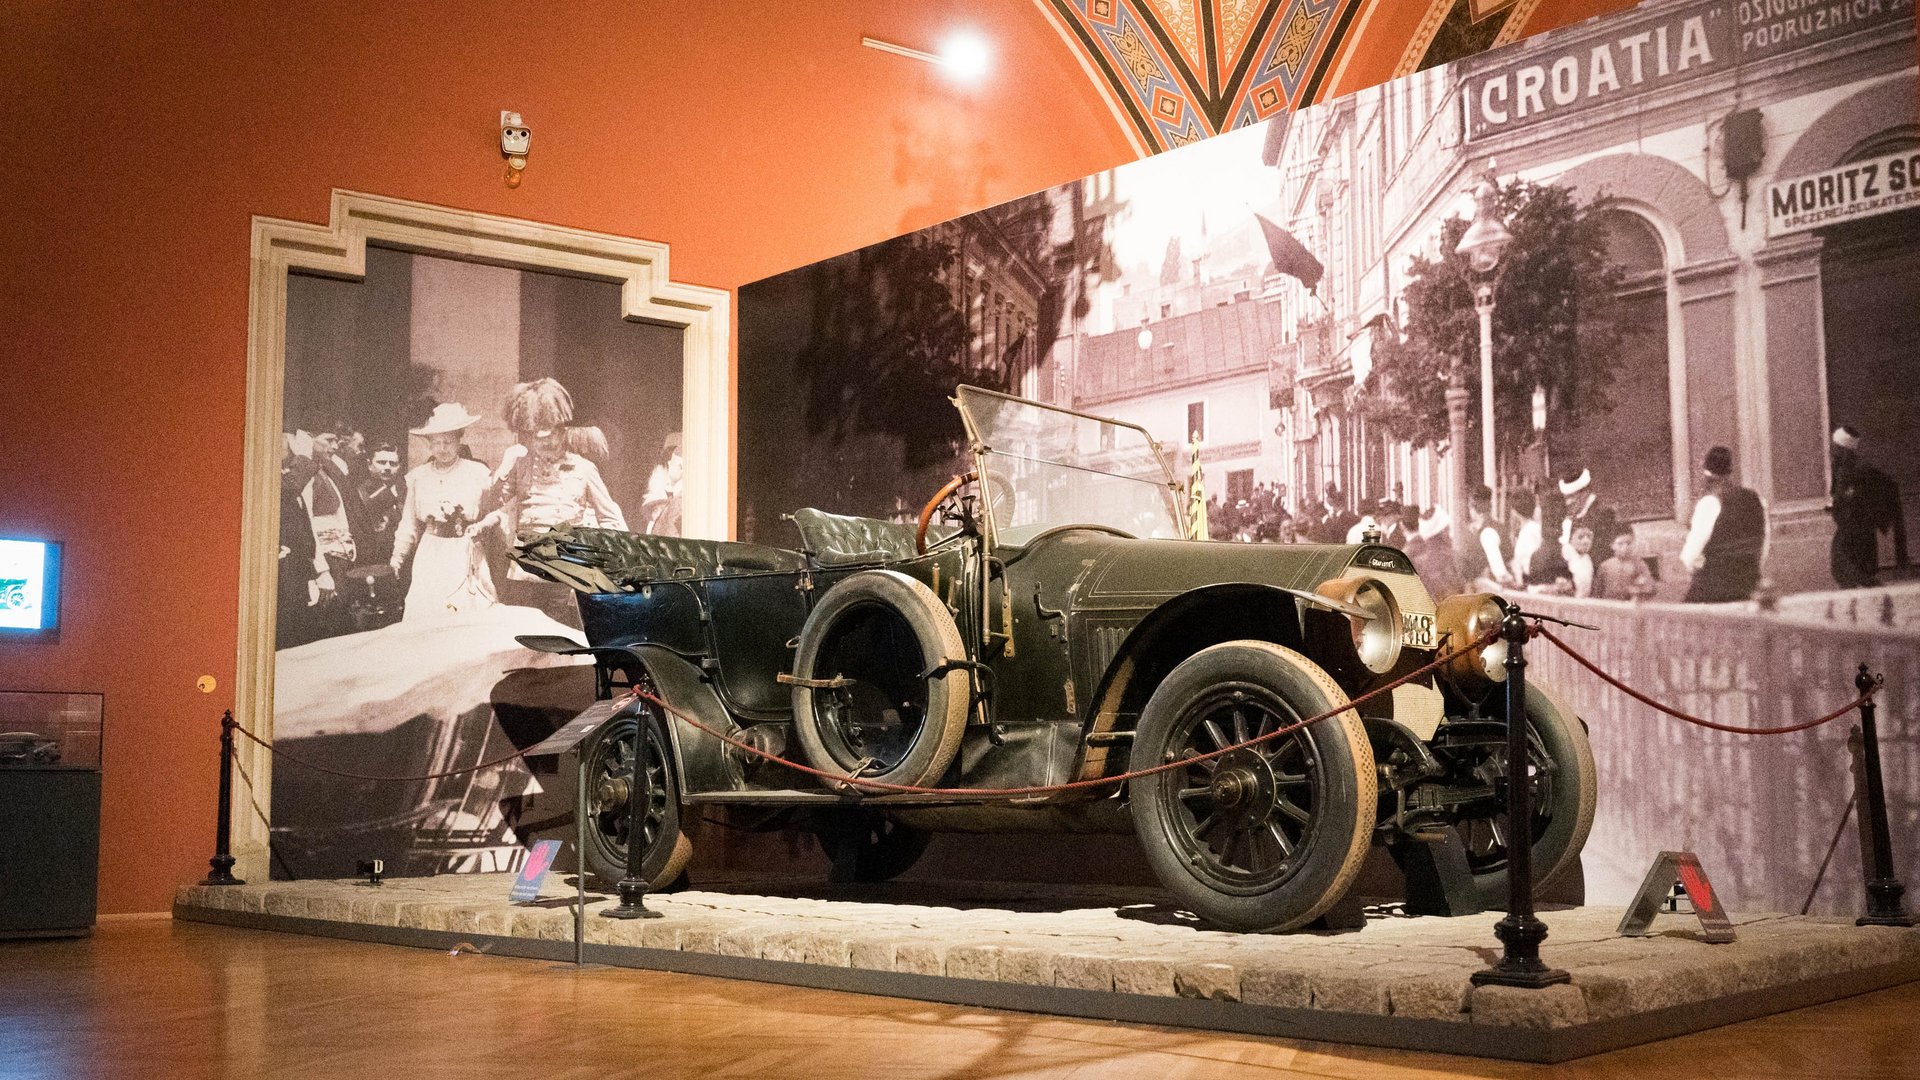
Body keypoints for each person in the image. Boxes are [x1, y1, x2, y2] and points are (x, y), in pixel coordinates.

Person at [389, 403, 498, 619]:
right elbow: (409, 523)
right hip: (430, 553)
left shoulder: (476, 473)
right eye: (436, 443)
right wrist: (397, 557)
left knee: (464, 608)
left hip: (464, 551)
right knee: (429, 607)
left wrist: (480, 527)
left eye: (448, 442)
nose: (442, 448)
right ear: (429, 445)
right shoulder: (418, 476)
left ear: (459, 441)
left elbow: (494, 511)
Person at [1680, 446, 1767, 603]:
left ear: (1706, 473)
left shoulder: (1709, 503)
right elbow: (1763, 544)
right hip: (1749, 581)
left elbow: (1690, 555)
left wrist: (1699, 570)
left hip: (1716, 586)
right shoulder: (1757, 499)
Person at [1829, 426, 1908, 588]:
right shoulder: (1843, 468)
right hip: (1853, 526)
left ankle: (1871, 590)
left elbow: (1857, 494)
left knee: (1844, 567)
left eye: (1836, 447)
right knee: (1850, 569)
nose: (1832, 451)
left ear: (1844, 449)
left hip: (1856, 527)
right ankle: (1867, 590)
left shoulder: (1857, 469)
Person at [1558, 467, 1621, 569]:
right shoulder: (1571, 515)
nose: (1568, 502)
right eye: (1567, 497)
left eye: (1572, 496)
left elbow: (1602, 553)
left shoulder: (1603, 513)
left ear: (1585, 492)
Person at [356, 443, 406, 565]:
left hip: (405, 557)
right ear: (369, 465)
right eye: (382, 462)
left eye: (393, 464)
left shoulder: (406, 490)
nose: (388, 467)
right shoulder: (361, 494)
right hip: (375, 561)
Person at [638, 432, 684, 536]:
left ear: (680, 465)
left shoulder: (680, 502)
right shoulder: (665, 501)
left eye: (669, 459)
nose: (666, 464)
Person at [1594, 531, 1656, 601]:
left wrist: (1639, 589)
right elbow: (1597, 592)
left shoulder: (1639, 564)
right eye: (1620, 544)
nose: (1625, 547)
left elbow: (1651, 588)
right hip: (1609, 606)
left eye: (1628, 543)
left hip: (1629, 607)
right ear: (1613, 546)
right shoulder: (1605, 566)